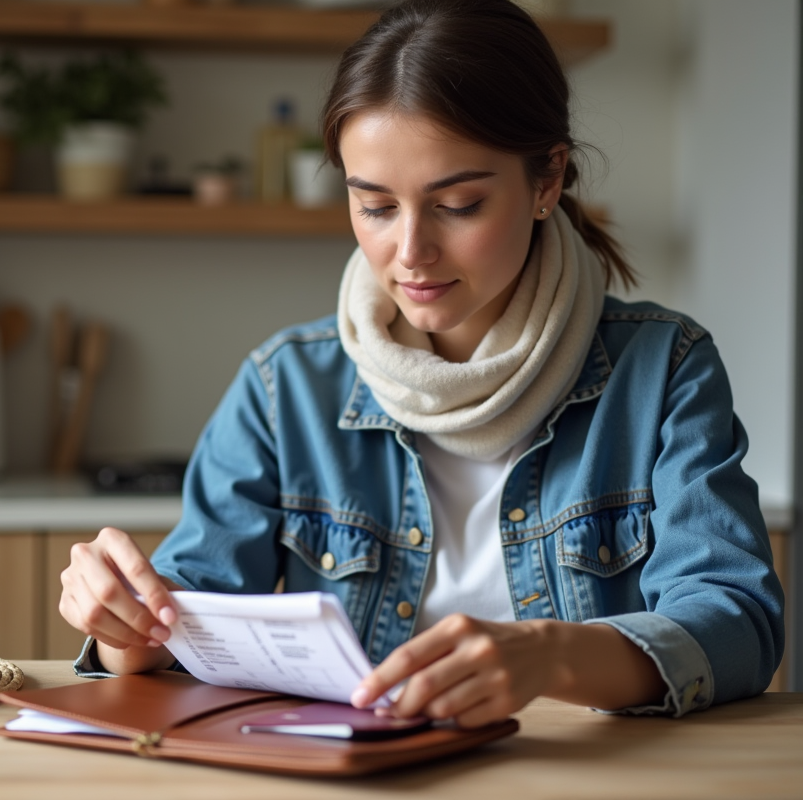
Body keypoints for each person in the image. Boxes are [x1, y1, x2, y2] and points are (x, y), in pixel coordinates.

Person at [58, 0, 785, 726]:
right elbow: (184, 618)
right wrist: (125, 619)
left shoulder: (665, 370)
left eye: (460, 204)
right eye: (374, 206)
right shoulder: (285, 388)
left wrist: (552, 655)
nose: (410, 253)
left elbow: (738, 623)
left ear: (546, 181)